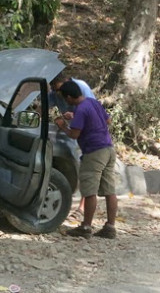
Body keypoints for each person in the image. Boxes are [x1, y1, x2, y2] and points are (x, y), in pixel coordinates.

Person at [54, 81, 118, 239]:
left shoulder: (80, 109)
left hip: (94, 152)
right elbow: (108, 121)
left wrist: (62, 126)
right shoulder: (92, 102)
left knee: (89, 190)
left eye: (65, 99)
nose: (65, 102)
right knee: (110, 190)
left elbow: (74, 135)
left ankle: (86, 227)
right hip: (109, 149)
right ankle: (110, 227)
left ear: (69, 97)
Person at [49, 73, 95, 221]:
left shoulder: (81, 87)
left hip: (86, 135)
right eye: (56, 91)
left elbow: (91, 112)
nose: (60, 95)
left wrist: (73, 117)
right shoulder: (56, 92)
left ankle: (83, 211)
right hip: (72, 134)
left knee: (87, 172)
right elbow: (43, 107)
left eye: (61, 91)